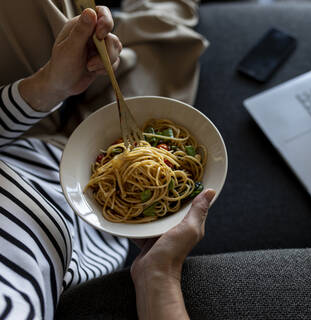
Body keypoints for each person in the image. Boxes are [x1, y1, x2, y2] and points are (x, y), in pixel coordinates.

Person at [0, 7, 214, 319]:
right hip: (88, 225)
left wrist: (45, 88)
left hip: (18, 128)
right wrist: (159, 273)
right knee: (167, 36)